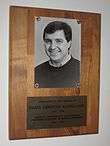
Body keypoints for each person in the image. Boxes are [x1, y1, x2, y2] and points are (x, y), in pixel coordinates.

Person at [34, 21, 80, 88]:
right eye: (48, 41)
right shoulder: (36, 72)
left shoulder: (81, 70)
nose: (52, 47)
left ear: (69, 43)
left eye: (58, 41)